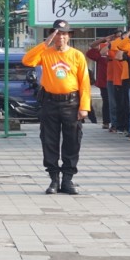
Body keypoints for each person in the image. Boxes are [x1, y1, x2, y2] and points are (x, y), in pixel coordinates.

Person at [22, 19, 91, 195]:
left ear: (69, 36)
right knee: (49, 141)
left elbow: (84, 82)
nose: (61, 37)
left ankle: (68, 179)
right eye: (58, 33)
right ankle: (54, 179)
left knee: (72, 142)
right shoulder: (46, 53)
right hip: (50, 103)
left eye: (64, 34)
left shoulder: (77, 55)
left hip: (71, 103)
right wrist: (45, 44)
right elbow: (27, 60)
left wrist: (84, 107)